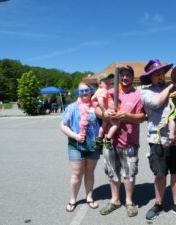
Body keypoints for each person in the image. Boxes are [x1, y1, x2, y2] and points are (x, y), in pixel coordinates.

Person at [140, 59, 176, 221]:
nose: (160, 76)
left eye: (162, 73)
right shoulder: (146, 92)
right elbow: (156, 103)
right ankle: (158, 204)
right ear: (150, 78)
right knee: (160, 174)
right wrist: (170, 87)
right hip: (157, 140)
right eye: (156, 74)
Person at [95, 65, 145, 217]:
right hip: (110, 142)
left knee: (129, 173)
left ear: (132, 77)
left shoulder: (138, 94)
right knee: (112, 171)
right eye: (121, 75)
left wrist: (127, 116)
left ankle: (129, 202)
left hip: (129, 141)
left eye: (127, 75)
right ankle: (115, 200)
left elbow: (142, 117)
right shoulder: (111, 91)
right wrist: (105, 114)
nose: (124, 78)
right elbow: (96, 108)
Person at [60, 82, 100, 212]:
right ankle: (73, 200)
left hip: (93, 145)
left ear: (91, 91)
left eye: (86, 91)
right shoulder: (72, 107)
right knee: (77, 173)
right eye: (81, 91)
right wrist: (75, 136)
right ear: (78, 93)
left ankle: (89, 197)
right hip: (76, 145)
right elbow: (63, 125)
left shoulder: (96, 107)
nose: (84, 94)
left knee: (90, 172)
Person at [91, 73, 119, 150]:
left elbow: (92, 99)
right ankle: (108, 139)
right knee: (116, 125)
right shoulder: (103, 90)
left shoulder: (97, 91)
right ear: (100, 83)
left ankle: (99, 139)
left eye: (109, 83)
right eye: (106, 83)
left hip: (106, 110)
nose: (108, 85)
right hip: (108, 110)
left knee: (103, 126)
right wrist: (104, 110)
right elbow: (100, 101)